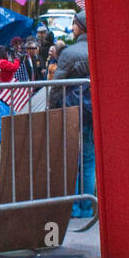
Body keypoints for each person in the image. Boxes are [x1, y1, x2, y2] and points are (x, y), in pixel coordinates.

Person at [49, 11, 93, 219]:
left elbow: (57, 85)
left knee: (71, 160)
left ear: (81, 26)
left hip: (72, 110)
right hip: (93, 112)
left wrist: (51, 108)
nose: (72, 27)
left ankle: (72, 208)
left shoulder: (69, 53)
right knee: (88, 159)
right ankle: (86, 207)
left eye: (74, 24)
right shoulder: (98, 50)